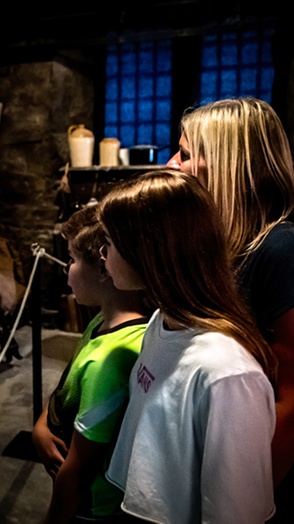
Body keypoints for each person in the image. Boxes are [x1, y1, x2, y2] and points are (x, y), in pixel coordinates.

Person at [99, 170, 277, 523]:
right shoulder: (160, 323)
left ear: (147, 251)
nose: (102, 254)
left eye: (110, 241)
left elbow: (238, 514)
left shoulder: (227, 374)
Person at [167, 97, 294, 521]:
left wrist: (249, 500)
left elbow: (291, 397)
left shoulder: (279, 249)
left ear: (226, 164)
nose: (171, 164)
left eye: (185, 154)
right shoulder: (222, 247)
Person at [32, 205, 150, 523]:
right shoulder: (103, 321)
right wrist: (42, 426)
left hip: (91, 505)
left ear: (103, 267)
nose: (65, 269)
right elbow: (68, 383)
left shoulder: (110, 360)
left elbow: (78, 471)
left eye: (71, 259)